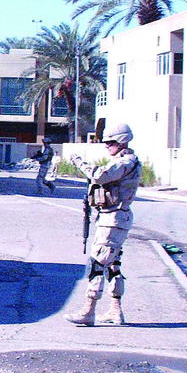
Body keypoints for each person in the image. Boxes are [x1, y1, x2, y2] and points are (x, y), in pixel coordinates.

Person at [64, 123, 141, 326]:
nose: (106, 146)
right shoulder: (125, 161)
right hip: (111, 217)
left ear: (121, 141)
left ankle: (88, 311)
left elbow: (100, 175)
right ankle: (115, 311)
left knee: (97, 264)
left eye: (110, 142)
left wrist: (79, 163)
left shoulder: (126, 161)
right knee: (112, 264)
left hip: (114, 219)